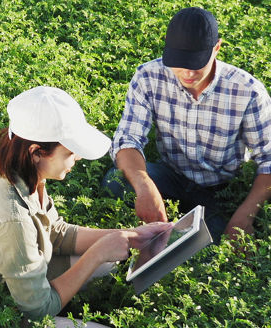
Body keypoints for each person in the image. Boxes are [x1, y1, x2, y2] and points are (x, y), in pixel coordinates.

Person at [0, 86, 173, 327]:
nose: (78, 157)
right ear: (36, 152)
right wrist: (96, 254)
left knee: (108, 260)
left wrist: (129, 236)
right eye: (71, 151)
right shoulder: (12, 221)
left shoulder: (14, 166)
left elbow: (55, 231)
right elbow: (38, 310)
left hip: (14, 278)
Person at [104, 7, 271, 244]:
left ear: (217, 48)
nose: (188, 72)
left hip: (219, 190)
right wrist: (144, 186)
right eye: (180, 62)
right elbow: (127, 139)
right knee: (115, 181)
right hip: (170, 175)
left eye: (196, 63)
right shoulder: (148, 77)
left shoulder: (248, 92)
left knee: (214, 246)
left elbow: (269, 160)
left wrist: (244, 216)